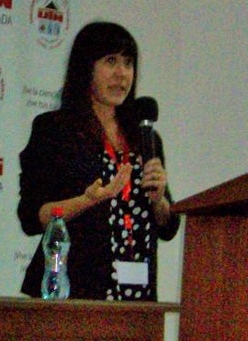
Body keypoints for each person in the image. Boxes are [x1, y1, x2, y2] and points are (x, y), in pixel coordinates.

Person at [17, 21, 181, 301]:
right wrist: (87, 200)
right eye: (111, 61)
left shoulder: (145, 138)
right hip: (73, 291)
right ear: (85, 67)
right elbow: (33, 217)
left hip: (137, 296)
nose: (122, 74)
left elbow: (167, 226)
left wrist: (158, 200)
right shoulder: (55, 130)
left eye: (128, 63)